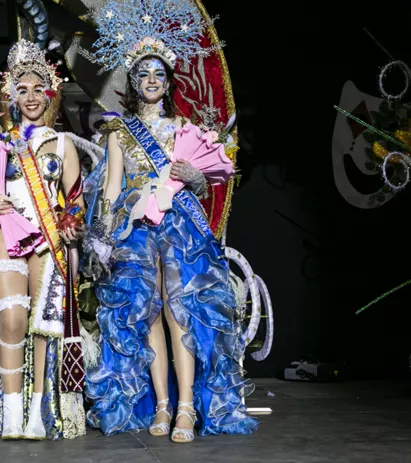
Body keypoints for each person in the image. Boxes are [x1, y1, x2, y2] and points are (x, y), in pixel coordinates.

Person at [82, 0, 258, 443]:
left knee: (182, 312)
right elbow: (110, 190)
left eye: (159, 74)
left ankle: (184, 408)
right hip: (137, 230)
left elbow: (204, 186)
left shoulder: (185, 127)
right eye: (144, 74)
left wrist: (196, 176)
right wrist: (101, 236)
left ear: (169, 80)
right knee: (149, 314)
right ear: (133, 82)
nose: (152, 81)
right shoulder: (118, 131)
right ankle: (160, 404)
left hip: (180, 227)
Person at [0, 40, 87, 440]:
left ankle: (38, 412)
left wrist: (72, 224)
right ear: (11, 96)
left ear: (50, 93)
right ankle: (9, 412)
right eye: (21, 90)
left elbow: (74, 202)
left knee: (42, 326)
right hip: (4, 232)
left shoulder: (63, 144)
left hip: (47, 239)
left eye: (37, 88)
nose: (30, 97)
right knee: (12, 319)